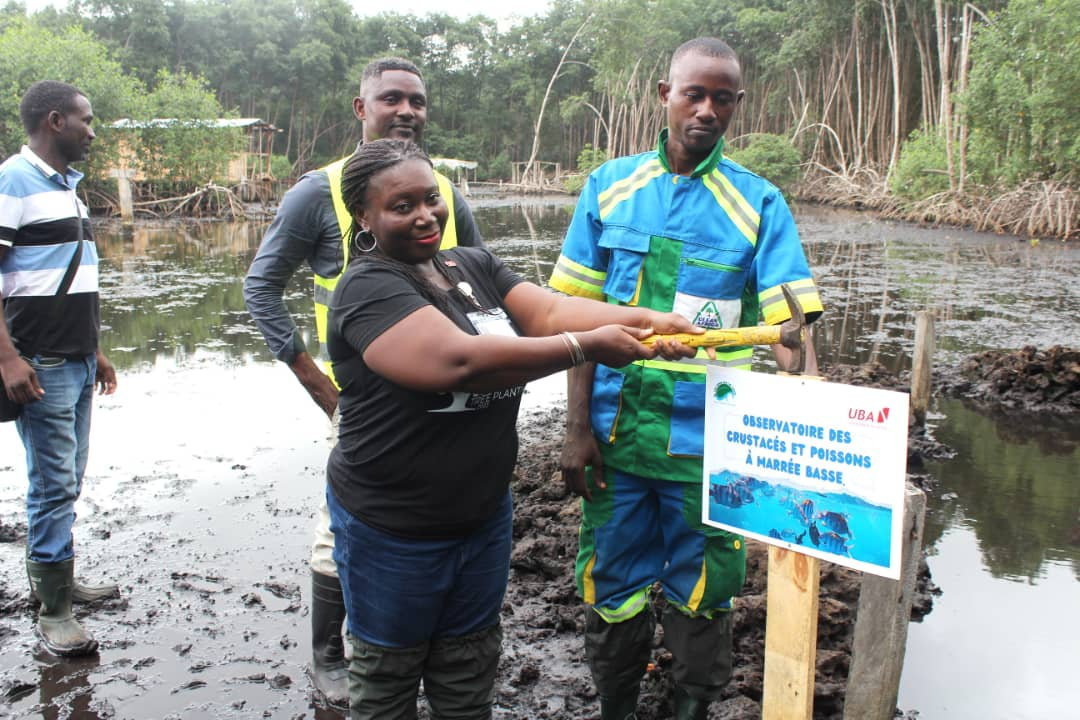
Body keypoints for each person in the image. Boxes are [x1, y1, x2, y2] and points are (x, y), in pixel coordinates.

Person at [325, 138, 700, 719]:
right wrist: (586, 348)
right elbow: (459, 362)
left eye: (432, 198)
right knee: (387, 675)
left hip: (481, 517)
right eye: (402, 206)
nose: (425, 215)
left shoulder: (469, 264)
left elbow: (548, 311)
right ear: (365, 217)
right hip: (393, 527)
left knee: (468, 664)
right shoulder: (366, 287)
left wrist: (643, 318)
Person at [548, 38, 824, 720]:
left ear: (736, 105)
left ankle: (690, 709)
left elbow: (792, 332)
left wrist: (816, 408)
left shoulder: (757, 203)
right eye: (693, 94)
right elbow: (576, 321)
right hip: (614, 442)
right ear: (663, 96)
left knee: (708, 590)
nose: (706, 110)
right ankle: (615, 706)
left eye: (722, 98)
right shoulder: (610, 188)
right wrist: (576, 430)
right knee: (609, 584)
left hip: (710, 450)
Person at [243, 57, 484, 706]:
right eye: (391, 99)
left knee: (445, 522)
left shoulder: (447, 195)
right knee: (339, 525)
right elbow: (261, 287)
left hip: (448, 401)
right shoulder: (317, 194)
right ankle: (329, 655)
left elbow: (484, 287)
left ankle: (436, 647)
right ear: (361, 109)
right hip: (367, 403)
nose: (407, 111)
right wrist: (313, 380)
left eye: (418, 101)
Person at [0, 81, 119, 657]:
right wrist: (7, 358)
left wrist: (94, 349)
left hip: (74, 360)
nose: (92, 131)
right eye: (86, 120)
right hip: (39, 365)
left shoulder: (69, 189)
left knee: (67, 478)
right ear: (55, 121)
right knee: (52, 487)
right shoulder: (12, 182)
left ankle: (62, 583)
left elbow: (69, 279)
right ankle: (54, 613)